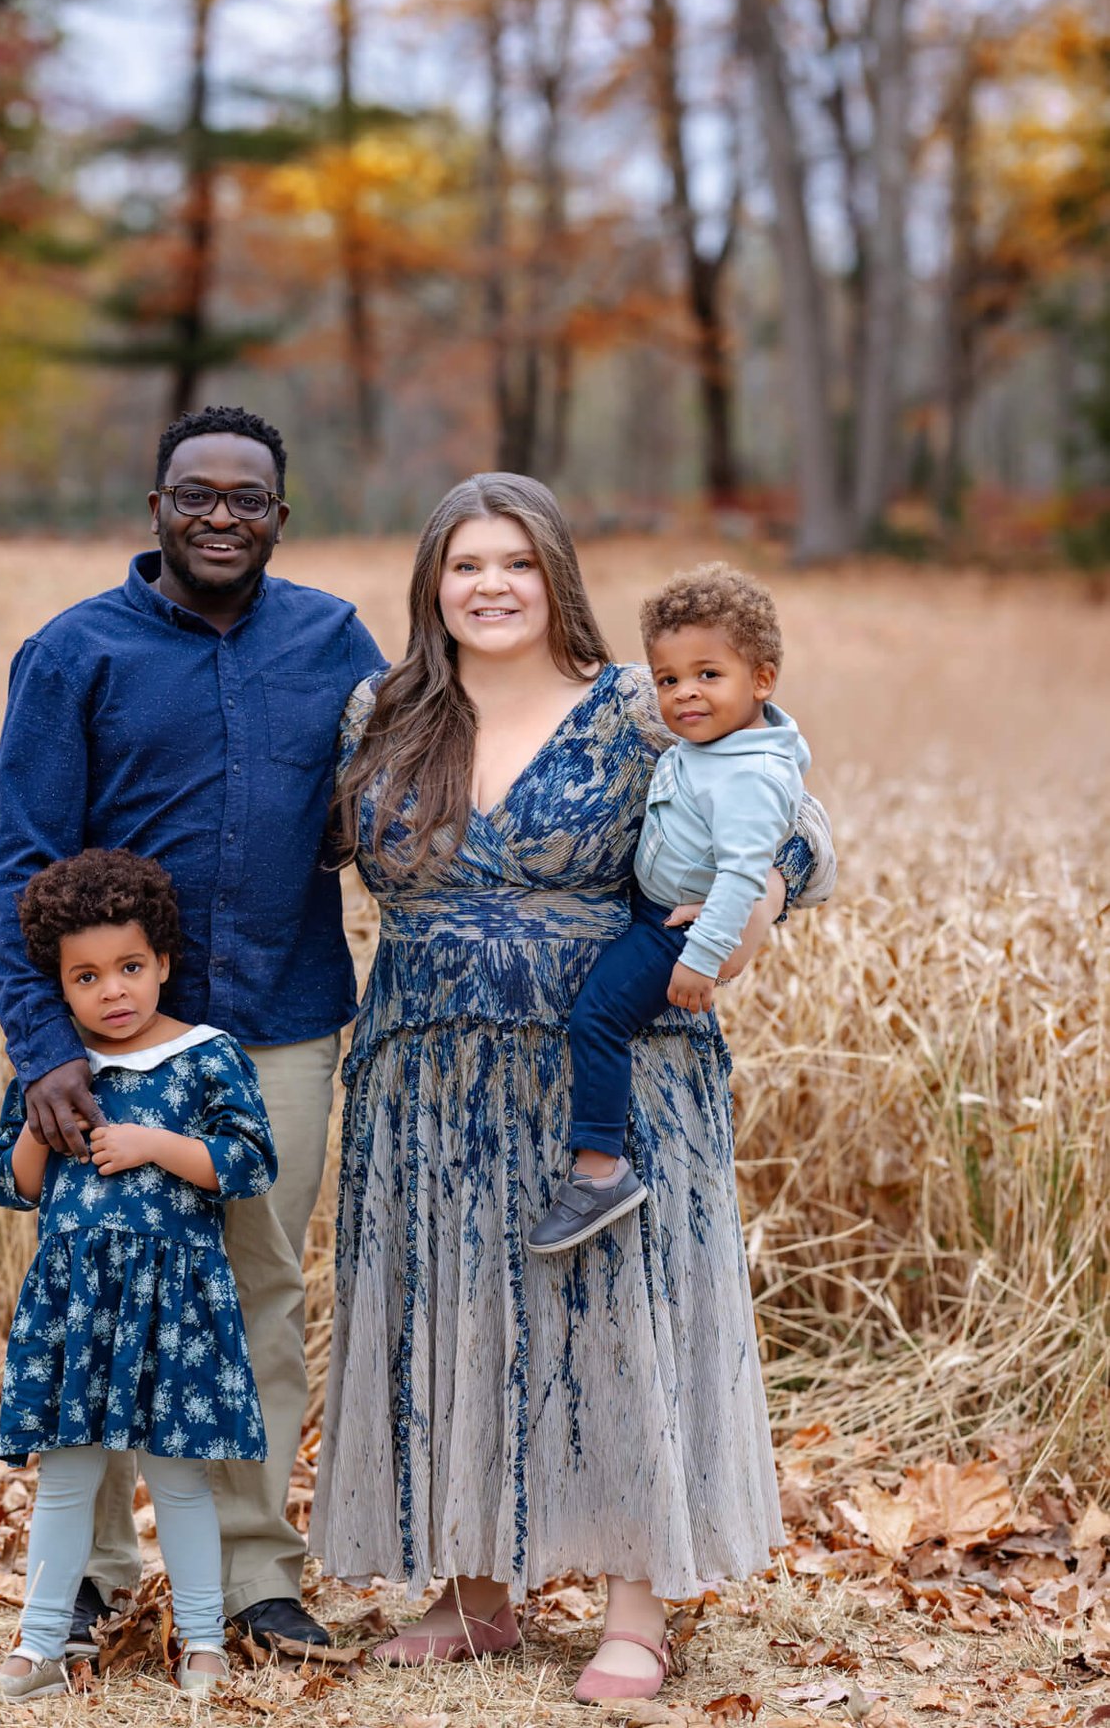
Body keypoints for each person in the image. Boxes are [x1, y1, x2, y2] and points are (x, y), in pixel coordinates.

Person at [308, 475, 834, 1706]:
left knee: (611, 1309)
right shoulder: (382, 711)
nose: (491, 585)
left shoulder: (641, 705)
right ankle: (471, 1592)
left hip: (609, 1060)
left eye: (517, 563)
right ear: (432, 583)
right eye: (465, 564)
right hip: (425, 1060)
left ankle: (636, 1609)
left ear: (556, 578)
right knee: (450, 1304)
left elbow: (795, 822)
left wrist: (755, 901)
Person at [0, 404, 384, 1654]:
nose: (220, 514)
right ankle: (91, 1574)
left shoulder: (333, 640)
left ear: (280, 514)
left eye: (245, 497)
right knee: (101, 1285)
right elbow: (20, 861)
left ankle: (258, 1576)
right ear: (156, 507)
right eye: (195, 493)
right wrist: (45, 1050)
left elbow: (407, 786)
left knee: (261, 1288)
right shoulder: (74, 654)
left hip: (282, 1023)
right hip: (108, 1044)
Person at [0, 849, 276, 1702]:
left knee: (177, 1476)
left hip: (174, 1304)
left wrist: (154, 1145)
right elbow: (13, 1185)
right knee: (66, 1476)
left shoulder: (206, 1055)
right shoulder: (56, 1068)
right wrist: (41, 1122)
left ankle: (204, 1642)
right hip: (78, 1302)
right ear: (60, 987)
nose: (113, 991)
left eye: (130, 967)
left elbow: (249, 1161)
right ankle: (38, 1646)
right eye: (87, 976)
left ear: (164, 962)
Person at [528, 562, 810, 1256]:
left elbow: (743, 872)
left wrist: (703, 957)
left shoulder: (748, 773)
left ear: (761, 680)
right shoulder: (715, 747)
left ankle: (599, 1170)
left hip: (677, 931)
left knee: (599, 1016)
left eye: (708, 674)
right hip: (656, 910)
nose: (684, 692)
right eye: (667, 679)